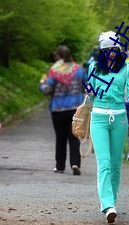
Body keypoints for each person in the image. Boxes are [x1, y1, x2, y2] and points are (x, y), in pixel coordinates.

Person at [86, 31, 129, 223]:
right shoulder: (94, 67)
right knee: (105, 163)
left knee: (116, 164)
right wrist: (89, 92)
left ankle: (112, 201)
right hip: (98, 118)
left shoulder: (127, 68)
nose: (110, 53)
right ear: (102, 51)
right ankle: (108, 205)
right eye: (106, 50)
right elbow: (90, 96)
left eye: (113, 50)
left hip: (120, 118)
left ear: (118, 49)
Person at [39, 45, 88, 175]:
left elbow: (47, 90)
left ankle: (60, 166)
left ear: (58, 57)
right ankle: (75, 163)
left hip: (58, 109)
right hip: (75, 109)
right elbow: (87, 86)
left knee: (60, 138)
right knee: (74, 137)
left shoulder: (54, 71)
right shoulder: (79, 70)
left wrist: (42, 83)